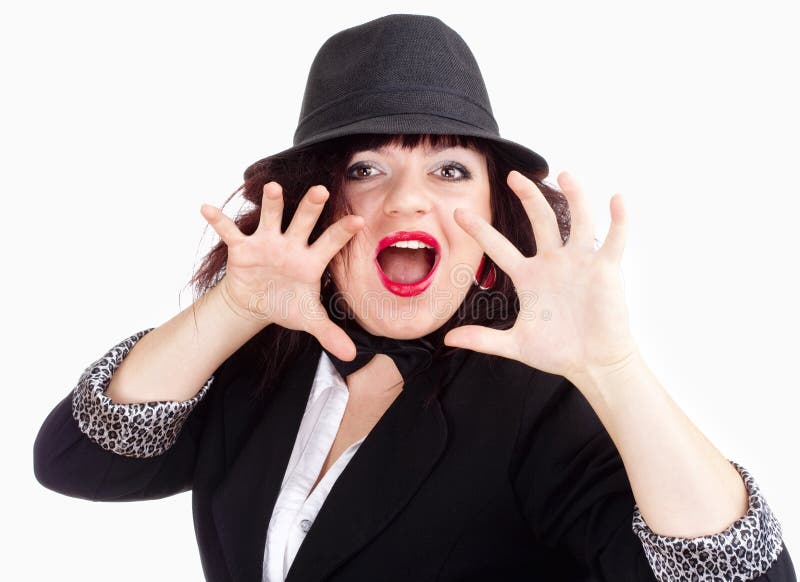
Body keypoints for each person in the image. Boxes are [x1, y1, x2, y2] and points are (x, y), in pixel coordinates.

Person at [32, 13, 796, 582]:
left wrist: (615, 369)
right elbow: (76, 463)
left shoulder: (538, 405)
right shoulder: (265, 363)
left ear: (494, 209)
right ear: (323, 202)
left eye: (451, 170)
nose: (408, 202)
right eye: (367, 168)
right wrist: (234, 308)